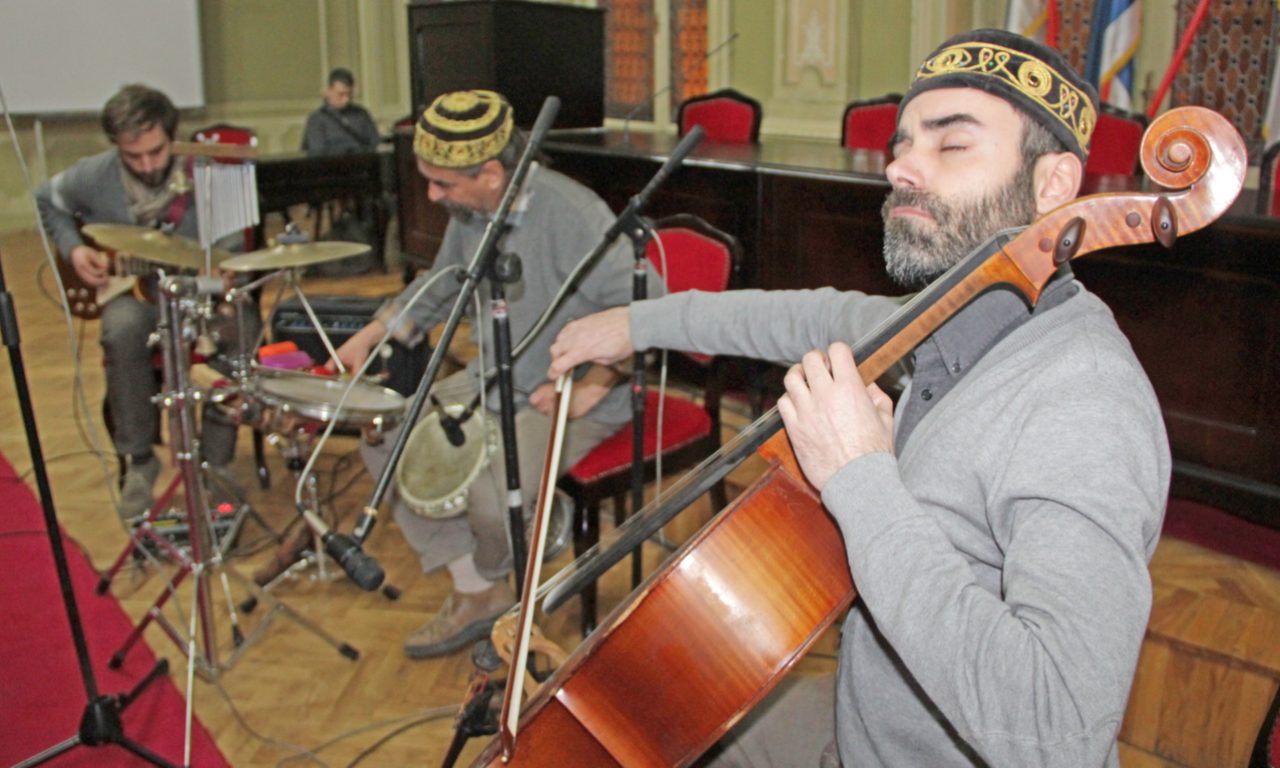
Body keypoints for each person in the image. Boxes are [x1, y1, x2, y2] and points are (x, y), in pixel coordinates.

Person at [548, 29, 1169, 767]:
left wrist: (858, 477)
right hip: (866, 716)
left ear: (1054, 185)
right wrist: (633, 323)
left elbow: (1057, 734)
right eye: (904, 144)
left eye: (952, 145)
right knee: (661, 730)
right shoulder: (952, 315)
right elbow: (803, 314)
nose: (902, 167)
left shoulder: (1085, 405)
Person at [328, 90, 663, 658]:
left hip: (561, 394)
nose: (432, 196)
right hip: (491, 379)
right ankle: (477, 589)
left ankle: (511, 550)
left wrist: (591, 388)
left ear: (490, 173)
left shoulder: (577, 216)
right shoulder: (474, 210)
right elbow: (440, 289)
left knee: (490, 499)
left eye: (442, 183)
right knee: (381, 433)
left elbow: (650, 313)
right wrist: (370, 335)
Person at [36, 84, 258, 523]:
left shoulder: (208, 174)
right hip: (138, 293)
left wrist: (233, 269)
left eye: (156, 152)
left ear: (172, 138)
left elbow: (238, 251)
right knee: (119, 331)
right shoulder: (95, 175)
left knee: (243, 331)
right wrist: (74, 250)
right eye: (132, 156)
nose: (147, 165)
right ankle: (140, 459)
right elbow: (48, 200)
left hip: (199, 293)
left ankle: (216, 460)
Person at [300, 67, 381, 157]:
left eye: (349, 94)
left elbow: (375, 143)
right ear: (328, 91)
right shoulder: (316, 120)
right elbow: (318, 154)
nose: (346, 99)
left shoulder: (361, 114)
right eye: (341, 94)